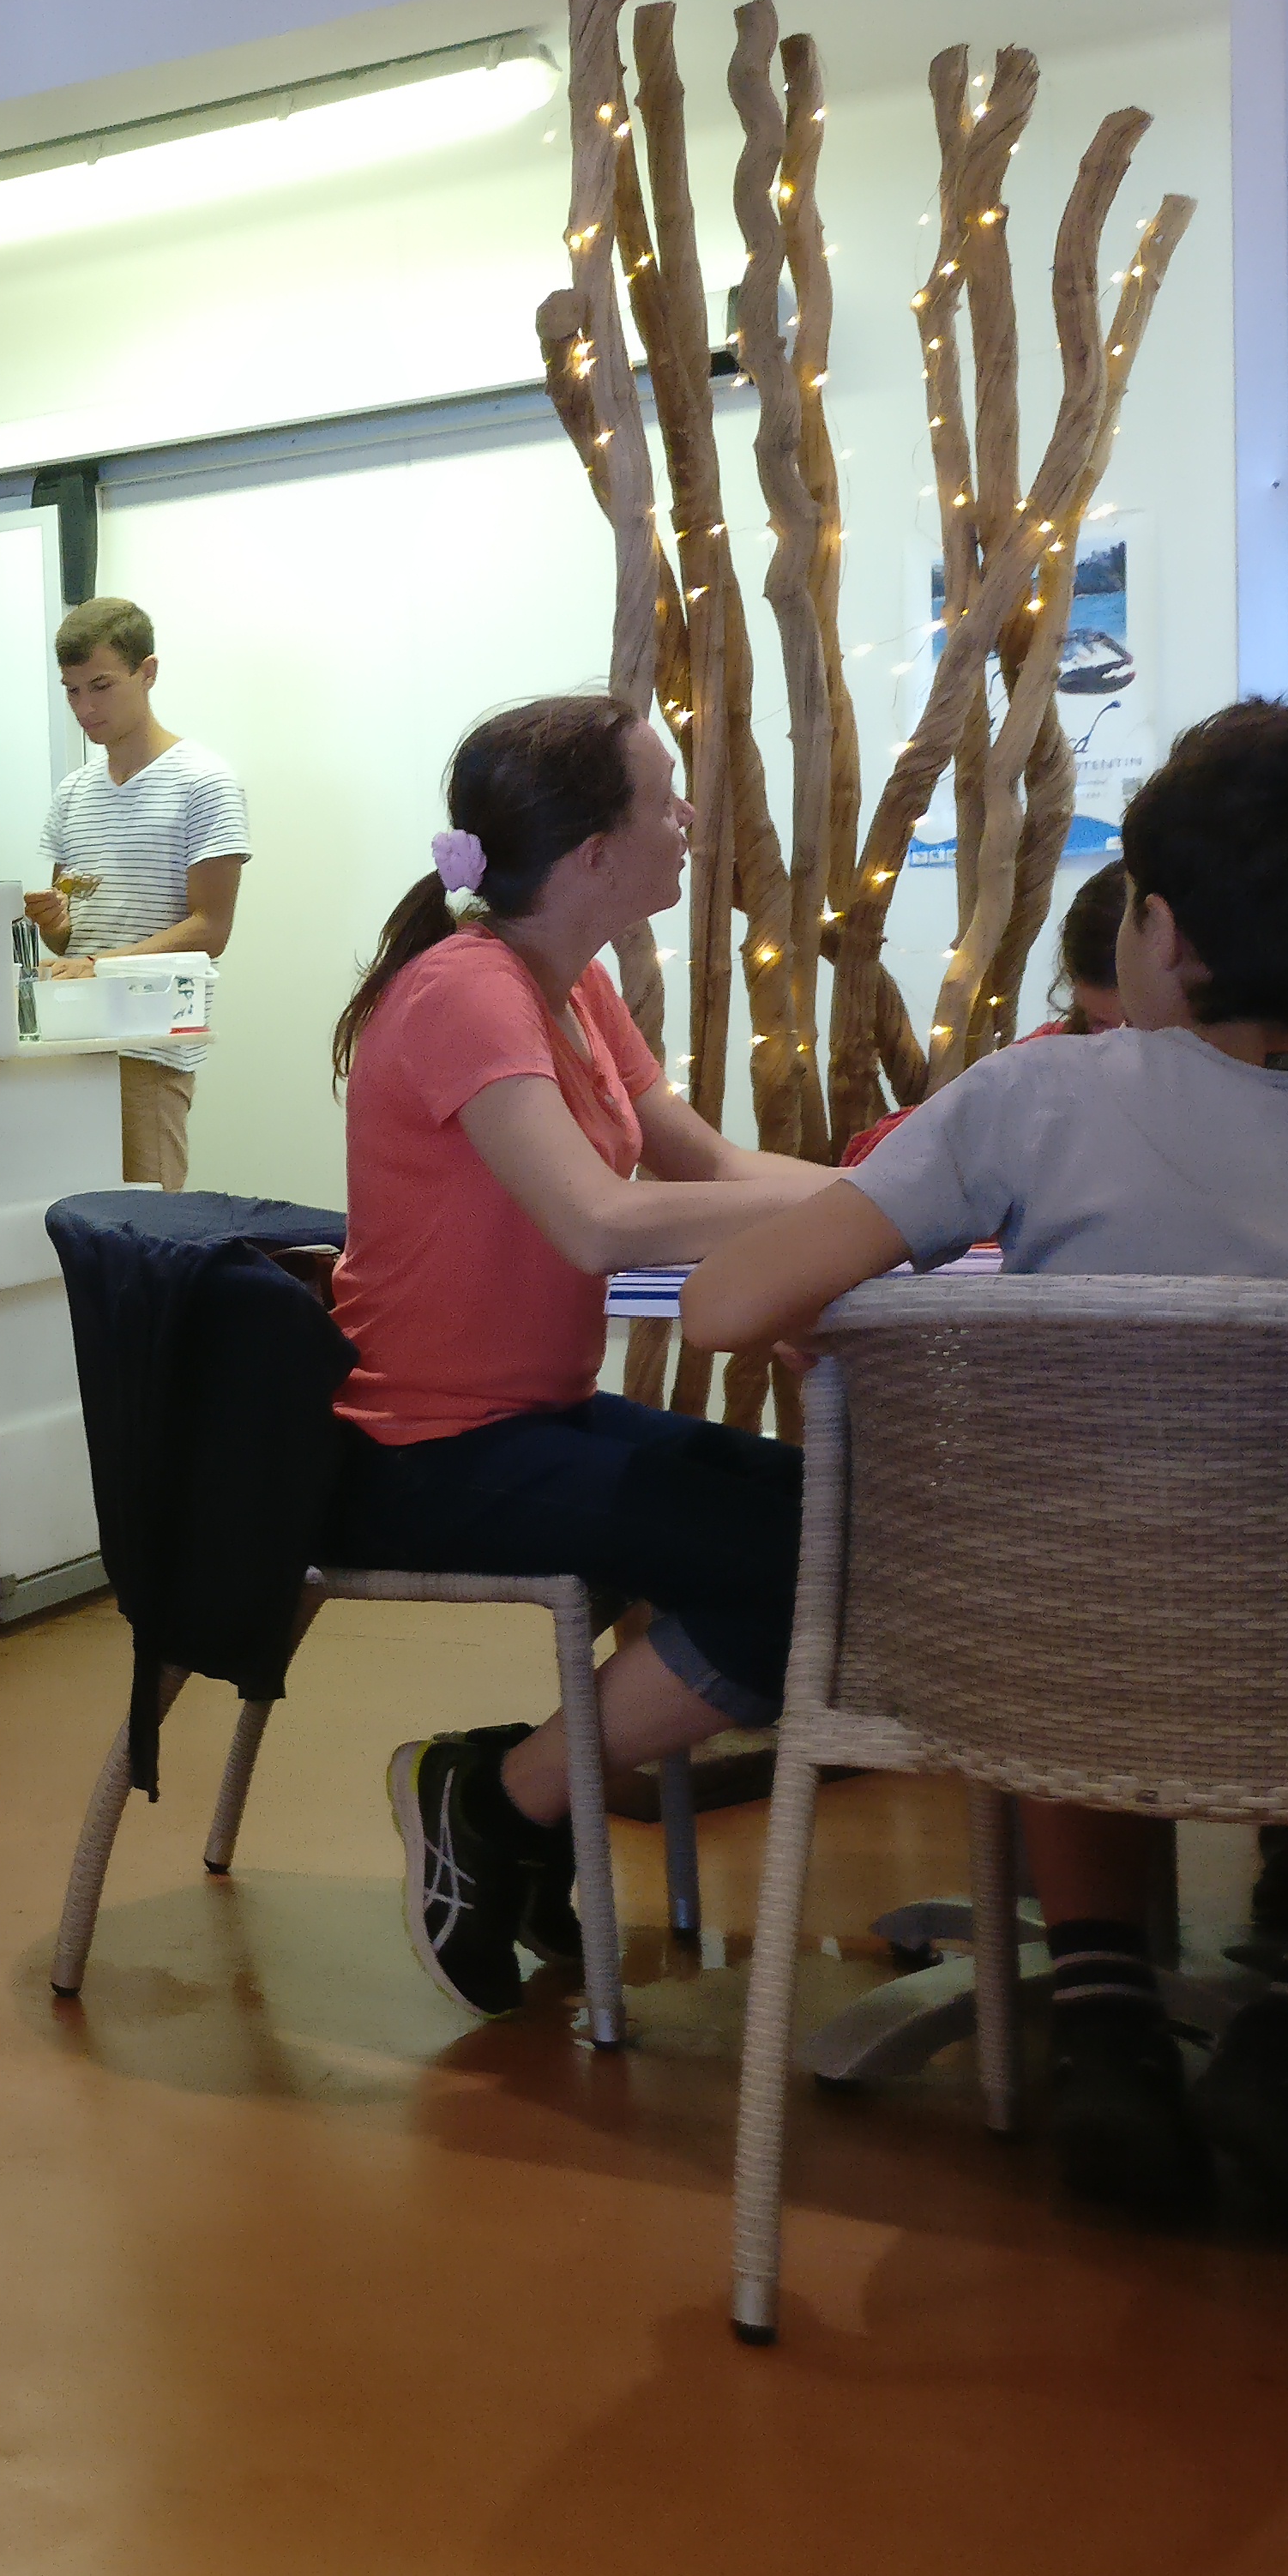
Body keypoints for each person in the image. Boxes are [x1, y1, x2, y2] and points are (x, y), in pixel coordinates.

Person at [685, 697, 1288, 2223]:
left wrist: (860, 1325)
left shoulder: (1035, 1099)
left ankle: (1104, 2018)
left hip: (1046, 1655)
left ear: (1159, 932)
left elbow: (725, 1306)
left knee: (1082, 1549)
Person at [325, 696, 843, 2020]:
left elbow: (709, 1163)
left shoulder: (572, 985)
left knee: (827, 1523)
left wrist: (897, 1203)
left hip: (531, 1420)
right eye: (665, 799)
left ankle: (513, 1791)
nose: (689, 819)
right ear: (596, 852)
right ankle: (499, 1801)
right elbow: (597, 1220)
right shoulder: (465, 990)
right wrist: (860, 1219)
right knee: (806, 1557)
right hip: (426, 1454)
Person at [27, 597, 249, 1190]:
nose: (85, 707)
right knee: (67, 1225)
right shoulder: (73, 794)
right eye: (72, 691)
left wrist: (98, 965)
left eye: (100, 686)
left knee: (146, 1227)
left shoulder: (204, 781)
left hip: (150, 1045)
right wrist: (54, 925)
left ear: (147, 672)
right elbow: (68, 938)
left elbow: (211, 929)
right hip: (71, 1042)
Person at [834, 857, 1134, 1167]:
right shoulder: (1056, 1053)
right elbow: (904, 1140)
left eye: (1138, 1028)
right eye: (1102, 1025)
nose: (1122, 1045)